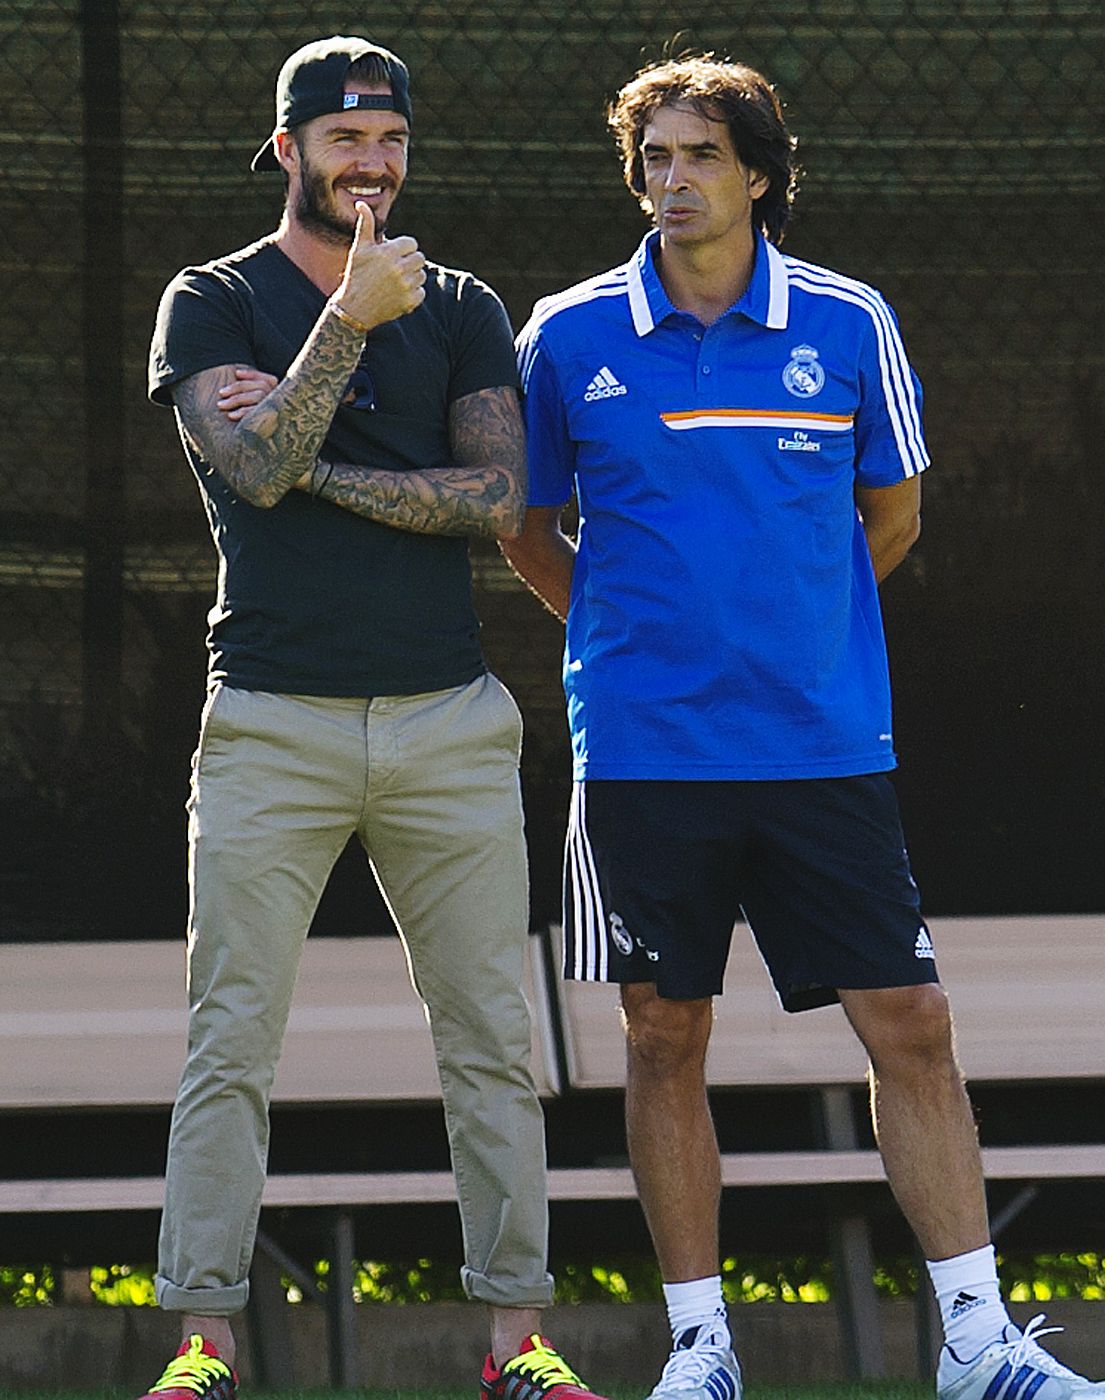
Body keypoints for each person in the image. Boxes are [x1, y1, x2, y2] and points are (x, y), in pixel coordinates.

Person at [502, 54, 1105, 1400]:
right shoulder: (566, 334)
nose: (670, 181)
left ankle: (975, 1348)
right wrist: (631, 647)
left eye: (698, 156)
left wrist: (791, 631)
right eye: (652, 158)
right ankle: (701, 1354)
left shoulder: (848, 324)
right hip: (644, 758)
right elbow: (529, 534)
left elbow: (888, 518)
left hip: (822, 749)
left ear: (761, 177)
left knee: (913, 1019)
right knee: (662, 1033)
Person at [142, 35, 606, 1400]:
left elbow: (486, 501)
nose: (372, 165)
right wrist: (345, 323)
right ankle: (200, 1346)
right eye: (344, 140)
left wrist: (310, 457)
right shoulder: (210, 299)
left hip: (446, 721)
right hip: (271, 720)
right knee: (231, 1037)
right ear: (284, 149)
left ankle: (516, 1345)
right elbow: (247, 461)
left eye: (391, 141)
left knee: (488, 1039)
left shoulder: (456, 303)